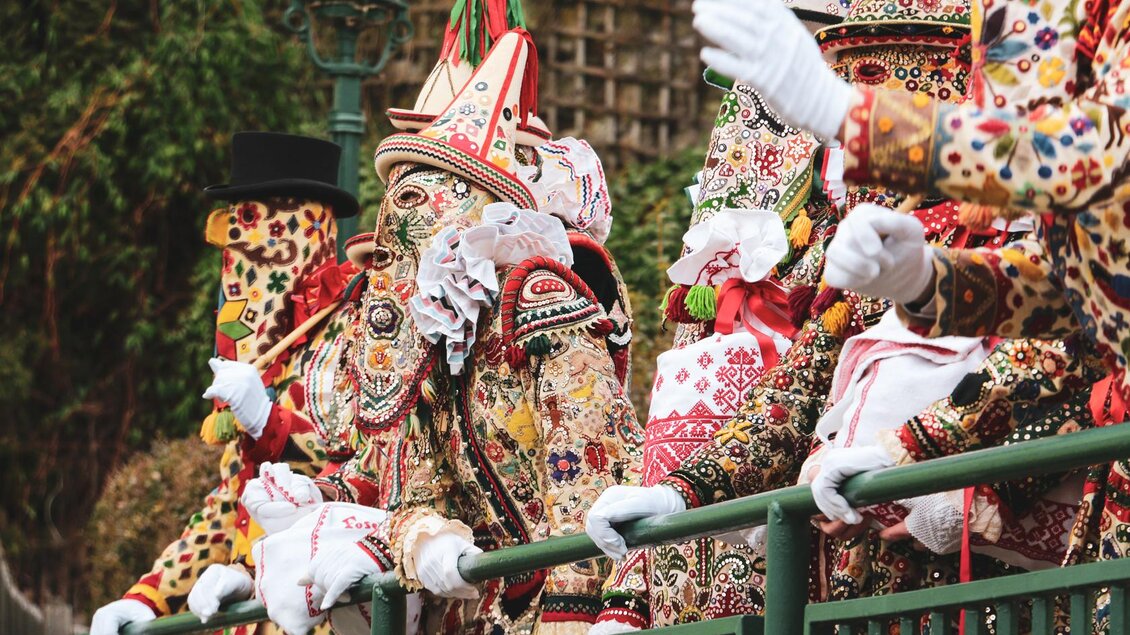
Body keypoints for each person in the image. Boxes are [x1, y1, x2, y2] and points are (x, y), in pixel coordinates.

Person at [89, 132, 363, 635]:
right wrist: (149, 597)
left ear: (301, 227)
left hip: (320, 613)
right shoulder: (267, 356)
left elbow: (362, 472)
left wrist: (268, 420)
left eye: (253, 229)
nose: (239, 262)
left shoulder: (359, 332)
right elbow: (230, 504)